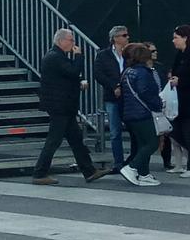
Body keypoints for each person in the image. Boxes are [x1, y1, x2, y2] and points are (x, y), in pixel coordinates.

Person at [32, 29, 109, 185]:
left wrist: (78, 82)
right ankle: (39, 173)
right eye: (71, 40)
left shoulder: (57, 57)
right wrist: (79, 56)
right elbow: (73, 71)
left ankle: (89, 171)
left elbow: (65, 77)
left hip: (64, 106)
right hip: (60, 106)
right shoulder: (55, 57)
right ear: (61, 41)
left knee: (76, 140)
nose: (73, 44)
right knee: (54, 140)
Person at [118, 43, 164, 186]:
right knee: (152, 142)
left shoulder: (127, 72)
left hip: (130, 114)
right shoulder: (143, 72)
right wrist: (158, 103)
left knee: (142, 144)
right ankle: (132, 167)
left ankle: (144, 174)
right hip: (143, 113)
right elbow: (146, 92)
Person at [93, 25, 131, 172]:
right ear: (115, 38)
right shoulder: (103, 55)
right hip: (112, 97)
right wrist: (113, 86)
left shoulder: (131, 53)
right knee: (115, 131)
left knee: (133, 129)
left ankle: (133, 160)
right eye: (124, 35)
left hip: (129, 96)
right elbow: (99, 74)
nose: (127, 37)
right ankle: (118, 162)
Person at [145, 42, 174, 170]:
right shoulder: (141, 69)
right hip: (148, 105)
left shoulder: (160, 67)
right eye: (152, 51)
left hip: (162, 102)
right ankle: (143, 163)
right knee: (149, 135)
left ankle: (166, 161)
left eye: (155, 50)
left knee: (166, 132)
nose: (155, 53)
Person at [168, 24, 190, 178]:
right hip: (178, 102)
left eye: (176, 37)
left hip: (187, 101)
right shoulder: (180, 55)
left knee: (187, 132)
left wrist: (180, 81)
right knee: (176, 132)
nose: (173, 41)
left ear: (185, 38)